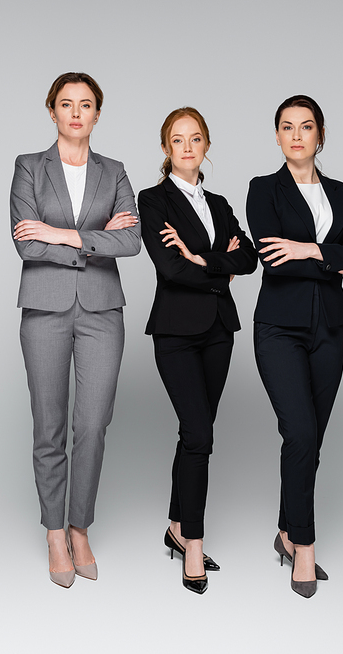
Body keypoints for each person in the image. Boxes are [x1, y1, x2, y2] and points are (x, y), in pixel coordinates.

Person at [11, 72, 141, 587]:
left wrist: (62, 234)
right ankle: (52, 531)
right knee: (49, 426)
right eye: (66, 104)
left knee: (92, 424)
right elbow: (26, 244)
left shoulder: (115, 171)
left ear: (97, 114)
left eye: (86, 105)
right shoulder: (28, 168)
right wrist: (93, 240)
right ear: (52, 111)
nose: (75, 113)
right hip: (43, 308)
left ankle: (79, 525)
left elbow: (131, 241)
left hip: (103, 312)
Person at [246, 95, 343, 597]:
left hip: (330, 332)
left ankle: (284, 528)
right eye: (286, 127)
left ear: (319, 135)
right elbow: (271, 259)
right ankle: (305, 544)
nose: (296, 135)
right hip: (279, 329)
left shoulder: (342, 193)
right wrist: (328, 260)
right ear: (277, 137)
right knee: (299, 431)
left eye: (306, 126)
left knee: (311, 439)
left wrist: (311, 248)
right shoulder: (264, 190)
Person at [138, 107, 257, 594]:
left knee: (194, 433)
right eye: (177, 139)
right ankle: (192, 543)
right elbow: (169, 270)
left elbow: (248, 257)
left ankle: (174, 523)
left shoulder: (222, 204)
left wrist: (200, 257)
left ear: (207, 146)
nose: (187, 147)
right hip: (176, 332)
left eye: (196, 138)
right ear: (166, 148)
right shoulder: (153, 200)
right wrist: (215, 267)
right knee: (201, 434)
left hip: (218, 331)